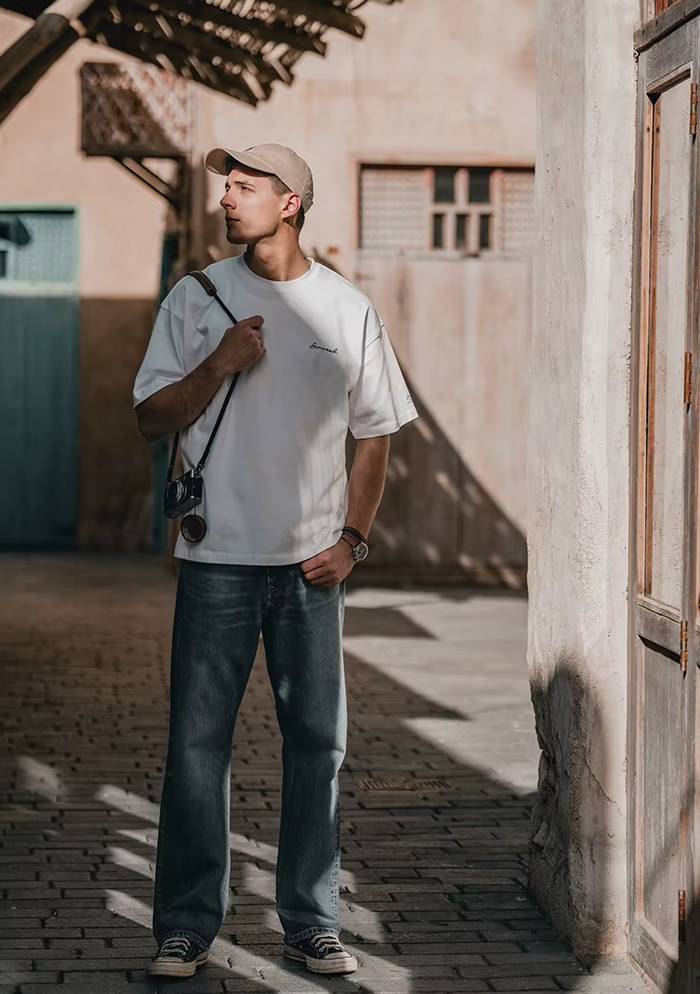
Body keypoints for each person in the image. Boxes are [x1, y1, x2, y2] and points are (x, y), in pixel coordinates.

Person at [132, 142, 419, 979]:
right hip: (216, 556)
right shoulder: (196, 299)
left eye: (246, 186)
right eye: (227, 185)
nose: (228, 197)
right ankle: (186, 926)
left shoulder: (346, 309)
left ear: (290, 202)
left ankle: (310, 923)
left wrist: (352, 539)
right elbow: (151, 416)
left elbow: (375, 435)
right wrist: (218, 365)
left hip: (310, 570)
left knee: (316, 749)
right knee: (197, 749)